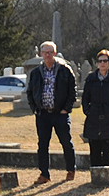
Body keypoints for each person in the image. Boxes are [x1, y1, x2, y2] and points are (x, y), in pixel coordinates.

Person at [24, 40, 77, 184]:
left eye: (50, 52)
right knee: (42, 145)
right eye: (45, 52)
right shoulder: (36, 72)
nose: (47, 55)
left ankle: (71, 170)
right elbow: (30, 92)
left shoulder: (64, 70)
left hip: (60, 113)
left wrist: (66, 109)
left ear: (55, 53)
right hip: (43, 114)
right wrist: (35, 109)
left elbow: (72, 91)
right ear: (41, 54)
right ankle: (44, 174)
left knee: (66, 142)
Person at [80, 50, 109, 167]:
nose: (102, 63)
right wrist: (88, 111)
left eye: (105, 61)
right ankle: (95, 178)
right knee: (94, 153)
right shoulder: (90, 79)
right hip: (93, 120)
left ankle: (105, 178)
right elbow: (85, 98)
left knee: (107, 153)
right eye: (100, 61)